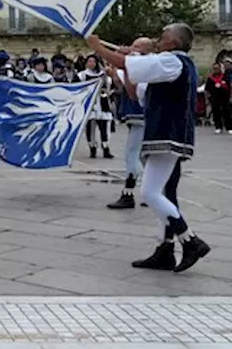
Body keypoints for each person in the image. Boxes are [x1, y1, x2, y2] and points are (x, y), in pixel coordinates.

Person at [87, 24, 209, 274]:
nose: (159, 41)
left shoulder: (172, 62)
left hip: (168, 135)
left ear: (175, 43)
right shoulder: (168, 65)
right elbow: (135, 92)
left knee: (150, 193)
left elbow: (127, 67)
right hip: (168, 136)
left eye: (164, 38)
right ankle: (165, 249)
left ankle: (190, 240)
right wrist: (130, 60)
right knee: (167, 193)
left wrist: (98, 47)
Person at [107, 37, 154, 210]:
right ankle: (153, 191)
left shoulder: (143, 63)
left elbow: (124, 76)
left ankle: (128, 193)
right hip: (139, 114)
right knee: (142, 155)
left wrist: (119, 57)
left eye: (136, 46)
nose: (131, 47)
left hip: (140, 113)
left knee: (132, 154)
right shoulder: (142, 63)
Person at [78, 55, 114, 159]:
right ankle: (92, 148)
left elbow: (112, 88)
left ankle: (106, 148)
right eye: (89, 61)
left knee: (105, 127)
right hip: (90, 105)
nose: (91, 63)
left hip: (103, 104)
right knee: (90, 128)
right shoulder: (82, 76)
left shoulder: (104, 76)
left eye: (93, 61)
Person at [204, 62, 231, 135]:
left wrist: (231, 96)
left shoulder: (225, 76)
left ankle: (229, 128)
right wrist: (206, 99)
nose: (216, 70)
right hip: (214, 98)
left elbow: (230, 87)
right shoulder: (210, 78)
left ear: (220, 68)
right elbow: (207, 89)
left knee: (227, 112)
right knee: (216, 113)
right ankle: (218, 127)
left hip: (225, 97)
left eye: (217, 68)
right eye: (214, 68)